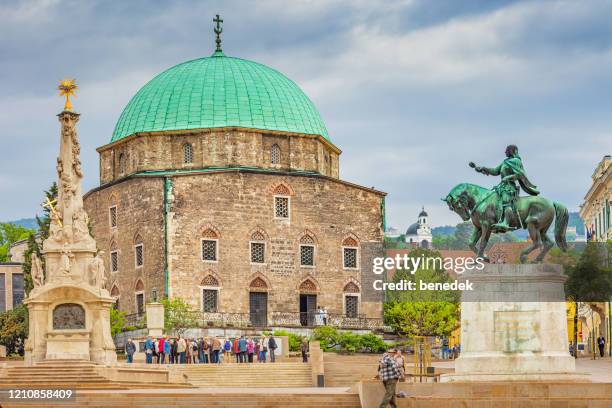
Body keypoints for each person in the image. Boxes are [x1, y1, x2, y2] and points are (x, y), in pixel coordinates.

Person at [470, 144, 539, 232]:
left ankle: (505, 223)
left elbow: (521, 174)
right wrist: (483, 169)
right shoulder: (505, 162)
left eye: (507, 150)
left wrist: (509, 177)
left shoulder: (516, 161)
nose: (505, 152)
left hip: (510, 188)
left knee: (506, 201)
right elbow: (495, 171)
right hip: (501, 187)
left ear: (511, 151)